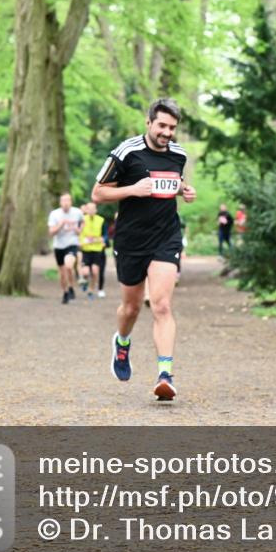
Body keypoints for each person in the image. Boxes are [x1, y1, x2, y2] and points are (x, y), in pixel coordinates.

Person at [92, 98, 197, 401]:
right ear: (148, 122)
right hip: (130, 240)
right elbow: (97, 193)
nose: (167, 133)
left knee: (162, 305)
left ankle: (165, 374)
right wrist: (132, 189)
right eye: (162, 125)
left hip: (166, 236)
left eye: (172, 128)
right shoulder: (126, 152)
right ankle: (122, 342)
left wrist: (183, 191)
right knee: (131, 308)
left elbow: (172, 184)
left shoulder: (178, 155)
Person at [48, 193, 84, 304]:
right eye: (63, 201)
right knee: (62, 273)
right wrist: (61, 224)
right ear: (60, 202)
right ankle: (66, 291)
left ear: (71, 202)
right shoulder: (54, 214)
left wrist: (78, 230)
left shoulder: (77, 212)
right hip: (59, 246)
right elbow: (51, 232)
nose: (66, 203)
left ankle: (71, 286)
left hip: (72, 243)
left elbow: (82, 222)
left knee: (68, 266)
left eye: (68, 200)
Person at [79, 202, 108, 300]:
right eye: (89, 209)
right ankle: (85, 281)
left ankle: (91, 291)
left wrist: (101, 240)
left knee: (95, 272)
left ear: (96, 210)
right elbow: (79, 233)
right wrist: (82, 241)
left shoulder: (101, 220)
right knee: (86, 272)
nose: (91, 211)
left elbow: (105, 235)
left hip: (97, 249)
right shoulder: (82, 220)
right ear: (86, 210)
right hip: (86, 249)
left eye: (93, 209)